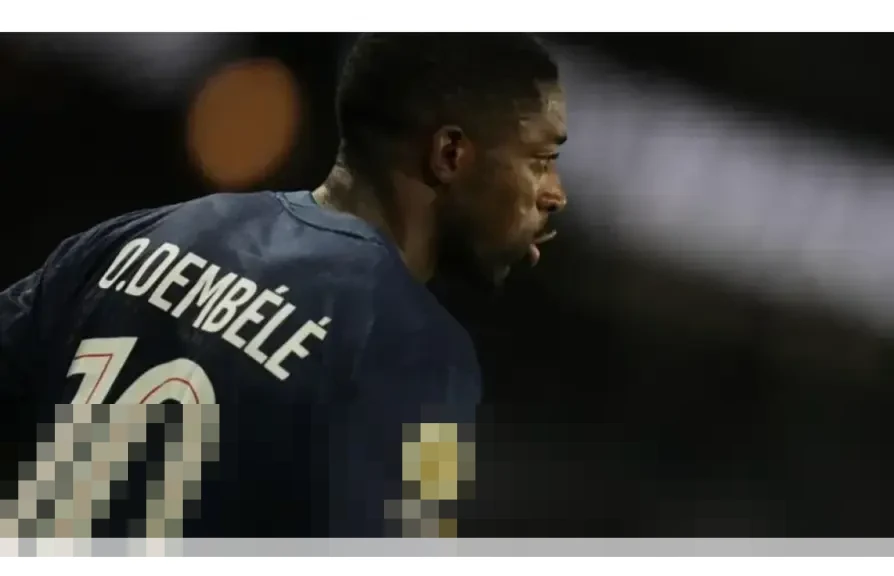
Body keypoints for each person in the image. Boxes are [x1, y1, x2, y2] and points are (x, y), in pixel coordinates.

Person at [0, 33, 568, 538]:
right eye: (540, 160)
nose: (555, 194)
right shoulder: (423, 352)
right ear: (450, 154)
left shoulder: (140, 233)